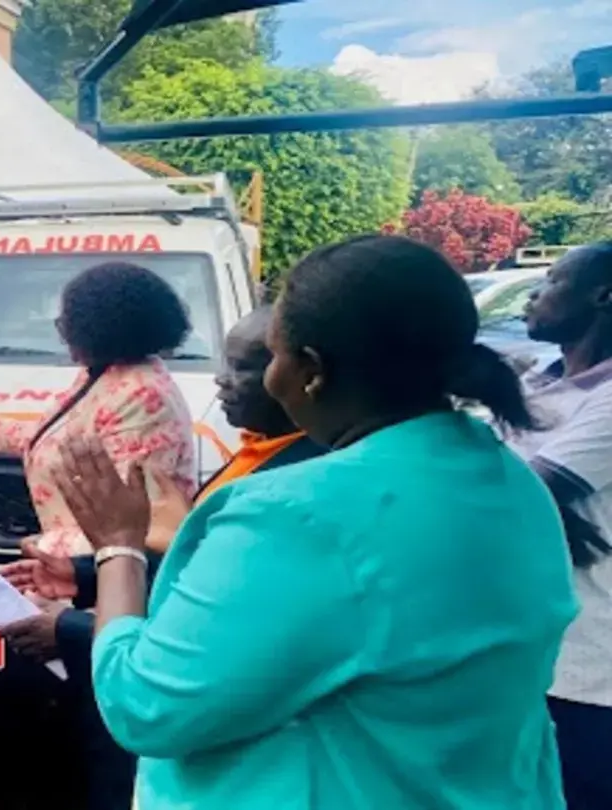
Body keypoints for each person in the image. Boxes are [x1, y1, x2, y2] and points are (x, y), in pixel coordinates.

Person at [62, 235, 575, 809]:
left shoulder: (298, 513)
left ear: (309, 371)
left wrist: (117, 551)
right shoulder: (508, 479)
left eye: (274, 355)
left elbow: (145, 707)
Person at [0, 308, 324, 810]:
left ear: (308, 373)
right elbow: (197, 570)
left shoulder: (295, 487)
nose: (221, 379)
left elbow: (219, 633)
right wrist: (80, 576)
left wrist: (69, 627)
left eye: (243, 366)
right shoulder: (261, 453)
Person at [0, 261, 198, 560]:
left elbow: (128, 524)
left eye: (66, 323)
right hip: (70, 572)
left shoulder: (144, 397)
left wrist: (47, 547)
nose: (62, 334)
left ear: (101, 328)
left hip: (105, 582)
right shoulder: (103, 374)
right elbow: (54, 440)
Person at [514, 243, 612, 810]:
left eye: (551, 282)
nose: (532, 295)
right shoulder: (539, 383)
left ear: (603, 296)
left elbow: (520, 493)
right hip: (527, 659)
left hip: (588, 674)